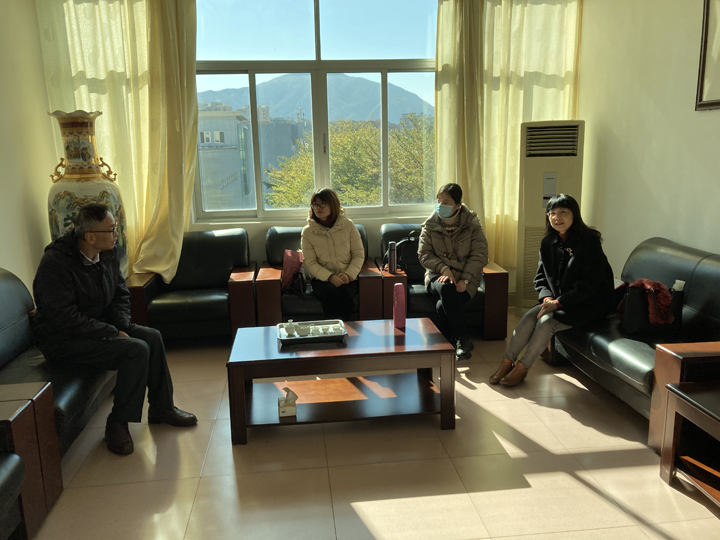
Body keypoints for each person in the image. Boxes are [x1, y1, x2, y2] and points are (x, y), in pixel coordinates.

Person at [32, 203, 196, 456]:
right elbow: (64, 318)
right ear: (90, 237)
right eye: (111, 229)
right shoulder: (55, 264)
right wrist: (110, 332)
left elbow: (120, 293)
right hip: (63, 339)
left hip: (98, 327)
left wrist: (120, 325)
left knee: (152, 337)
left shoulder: (107, 252)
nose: (116, 234)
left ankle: (162, 408)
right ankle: (117, 423)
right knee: (135, 350)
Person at [490, 193, 614, 387]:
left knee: (546, 322)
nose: (557, 217)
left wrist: (558, 303)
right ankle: (507, 362)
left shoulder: (589, 241)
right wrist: (547, 298)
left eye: (563, 212)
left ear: (574, 214)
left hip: (588, 303)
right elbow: (541, 277)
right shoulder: (548, 242)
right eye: (552, 213)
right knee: (529, 318)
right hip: (558, 301)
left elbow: (590, 284)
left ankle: (523, 368)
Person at [419, 183, 488, 361]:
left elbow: (480, 255)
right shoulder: (430, 225)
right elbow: (424, 254)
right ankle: (463, 339)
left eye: (446, 202)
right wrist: (444, 268)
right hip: (437, 275)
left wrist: (465, 279)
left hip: (466, 278)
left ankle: (452, 338)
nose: (440, 205)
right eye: (438, 201)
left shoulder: (472, 225)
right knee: (446, 287)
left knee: (441, 306)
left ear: (457, 205)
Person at [301, 188, 365, 321]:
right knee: (329, 294)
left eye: (322, 203)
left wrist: (348, 275)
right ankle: (331, 330)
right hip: (322, 278)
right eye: (315, 204)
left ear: (333, 204)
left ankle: (347, 330)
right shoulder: (308, 232)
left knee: (344, 295)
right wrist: (329, 276)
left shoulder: (348, 225)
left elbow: (358, 254)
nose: (318, 208)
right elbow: (310, 262)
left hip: (347, 275)